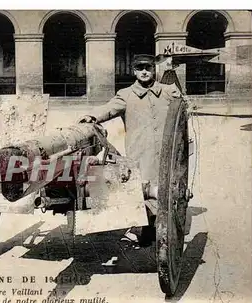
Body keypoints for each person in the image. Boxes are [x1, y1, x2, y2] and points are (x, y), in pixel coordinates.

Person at [79, 54, 184, 246]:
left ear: (154, 70)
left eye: (148, 68)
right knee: (142, 189)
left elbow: (181, 113)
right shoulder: (126, 94)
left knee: (166, 187)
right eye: (140, 68)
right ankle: (145, 229)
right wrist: (92, 116)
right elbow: (109, 108)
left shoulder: (169, 92)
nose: (144, 71)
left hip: (166, 150)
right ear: (134, 71)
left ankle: (158, 228)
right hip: (140, 152)